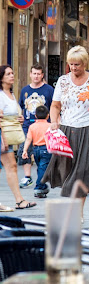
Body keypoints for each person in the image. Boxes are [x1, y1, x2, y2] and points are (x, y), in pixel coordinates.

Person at [43, 46, 89, 217]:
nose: (73, 68)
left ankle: (77, 212)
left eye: (77, 64)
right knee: (67, 170)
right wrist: (54, 122)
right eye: (71, 64)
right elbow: (55, 105)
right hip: (67, 128)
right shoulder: (63, 81)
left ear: (84, 63)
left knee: (83, 170)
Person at [0, 65, 36, 210]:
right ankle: (19, 200)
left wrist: (19, 118)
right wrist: (3, 139)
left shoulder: (11, 94)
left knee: (11, 166)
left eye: (13, 73)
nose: (12, 76)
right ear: (1, 77)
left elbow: (9, 114)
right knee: (11, 166)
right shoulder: (1, 95)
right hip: (3, 136)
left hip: (8, 135)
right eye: (8, 74)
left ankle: (19, 200)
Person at [17, 64, 54, 189]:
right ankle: (28, 177)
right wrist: (20, 117)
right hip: (28, 126)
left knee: (42, 153)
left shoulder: (49, 90)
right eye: (34, 73)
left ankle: (41, 175)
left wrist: (54, 122)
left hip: (44, 127)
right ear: (30, 74)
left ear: (42, 75)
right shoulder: (25, 90)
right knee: (24, 150)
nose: (36, 76)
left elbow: (54, 107)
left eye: (39, 74)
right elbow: (21, 106)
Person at [20, 106, 51, 198]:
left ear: (35, 116)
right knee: (43, 168)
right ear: (48, 116)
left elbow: (29, 139)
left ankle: (43, 186)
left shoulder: (32, 126)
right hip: (46, 149)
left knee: (40, 168)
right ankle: (39, 187)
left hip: (36, 150)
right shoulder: (50, 126)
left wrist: (25, 150)